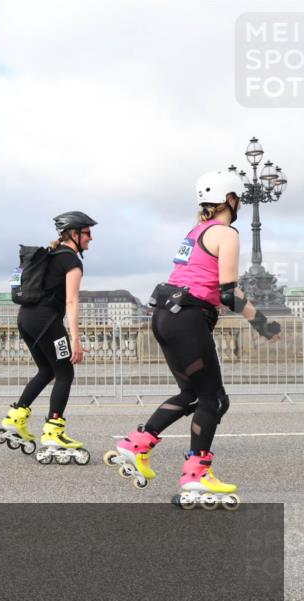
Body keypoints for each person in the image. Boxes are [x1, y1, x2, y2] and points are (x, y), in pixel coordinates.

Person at [105, 170, 281, 509]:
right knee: (212, 399)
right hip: (186, 318)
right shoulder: (225, 232)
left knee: (194, 395)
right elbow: (229, 292)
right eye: (238, 199)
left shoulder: (196, 230)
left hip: (165, 315)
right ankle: (197, 476)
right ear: (231, 200)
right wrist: (262, 324)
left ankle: (137, 444)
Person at [0, 211, 95, 465]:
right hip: (46, 321)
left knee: (46, 370)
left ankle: (15, 418)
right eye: (87, 233)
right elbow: (72, 301)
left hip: (25, 319)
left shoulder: (50, 256)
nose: (91, 238)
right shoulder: (70, 260)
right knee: (65, 373)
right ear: (74, 234)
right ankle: (54, 431)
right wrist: (75, 339)